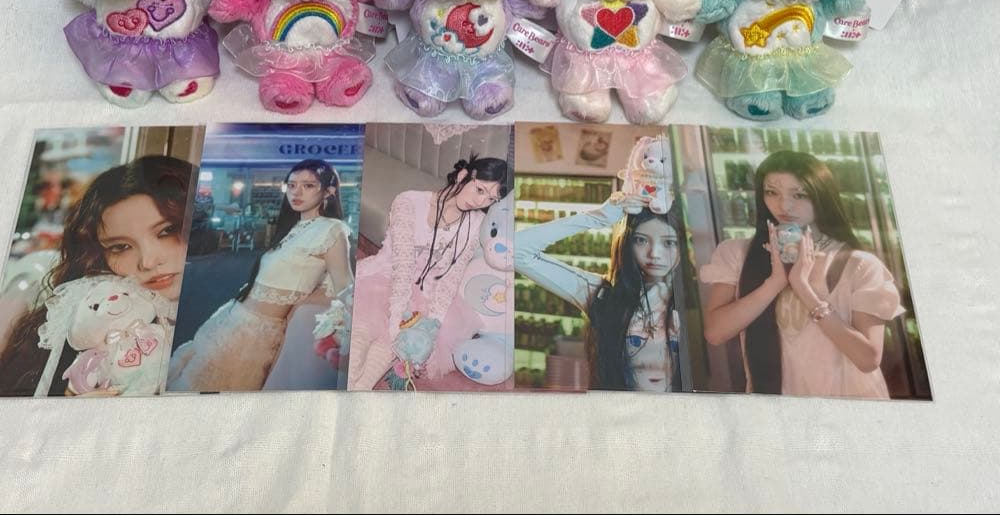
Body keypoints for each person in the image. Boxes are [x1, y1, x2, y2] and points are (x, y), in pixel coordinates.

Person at [0, 155, 195, 397]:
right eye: (121, 247)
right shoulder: (89, 320)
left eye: (167, 231)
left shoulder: (225, 319)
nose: (148, 262)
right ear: (97, 254)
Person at [699, 150, 904, 398]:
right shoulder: (737, 253)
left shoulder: (859, 265)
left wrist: (803, 288)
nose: (784, 205)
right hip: (778, 406)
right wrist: (774, 283)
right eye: (772, 192)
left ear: (821, 195)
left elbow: (868, 359)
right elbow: (715, 333)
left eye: (799, 194)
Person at [166, 159, 353, 392]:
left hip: (256, 335)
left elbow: (345, 287)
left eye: (308, 186)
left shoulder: (331, 229)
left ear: (328, 191)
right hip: (232, 318)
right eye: (292, 185)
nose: (296, 192)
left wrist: (311, 310)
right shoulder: (293, 227)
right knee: (189, 380)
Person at [347, 155, 510, 390]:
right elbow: (402, 267)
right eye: (479, 190)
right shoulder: (409, 201)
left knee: (364, 381)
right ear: (464, 175)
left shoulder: (477, 224)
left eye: (490, 199)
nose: (480, 201)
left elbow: (452, 277)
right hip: (382, 283)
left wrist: (430, 328)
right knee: (352, 361)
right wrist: (396, 325)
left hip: (424, 301)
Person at [515, 195, 683, 391]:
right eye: (641, 240)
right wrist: (598, 217)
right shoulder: (604, 295)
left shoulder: (694, 302)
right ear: (628, 244)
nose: (654, 253)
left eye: (668, 243)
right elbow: (514, 251)